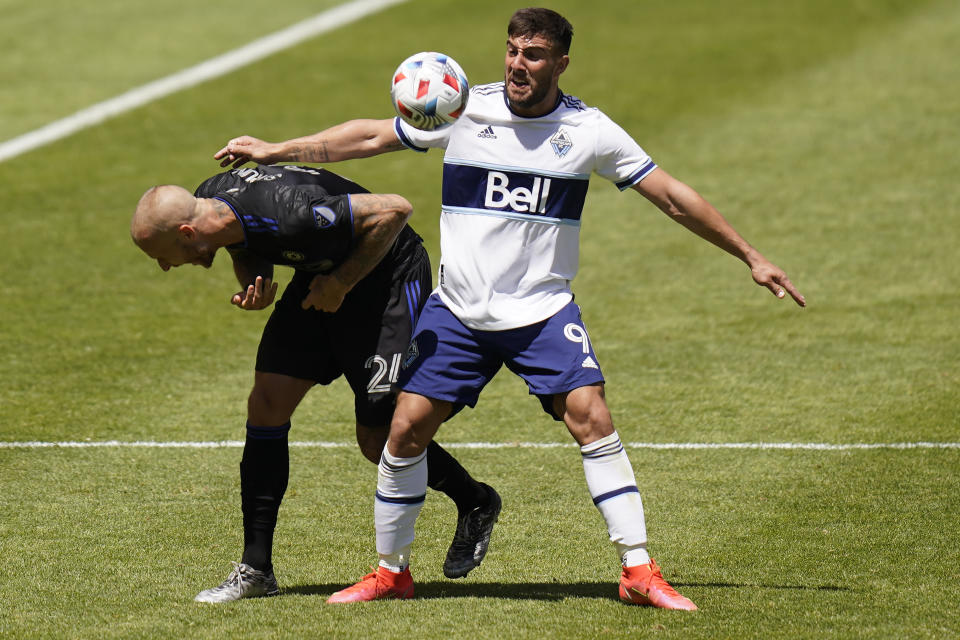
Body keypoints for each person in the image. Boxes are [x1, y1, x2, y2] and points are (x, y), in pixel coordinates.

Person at [213, 8, 805, 609]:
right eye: (513, 50)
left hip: (542, 311)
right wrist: (277, 148)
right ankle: (391, 572)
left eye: (535, 54)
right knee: (402, 432)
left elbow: (673, 197)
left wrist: (750, 255)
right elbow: (370, 135)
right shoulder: (465, 108)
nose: (519, 64)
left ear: (561, 63)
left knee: (592, 418)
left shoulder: (591, 130)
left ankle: (638, 571)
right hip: (460, 313)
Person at [130, 163, 501, 603]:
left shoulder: (291, 212)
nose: (166, 267)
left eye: (163, 254)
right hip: (320, 280)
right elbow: (241, 241)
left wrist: (342, 282)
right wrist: (254, 280)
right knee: (266, 404)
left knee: (377, 439)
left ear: (189, 232)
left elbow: (394, 210)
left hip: (386, 282)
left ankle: (475, 500)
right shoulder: (212, 197)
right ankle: (256, 570)